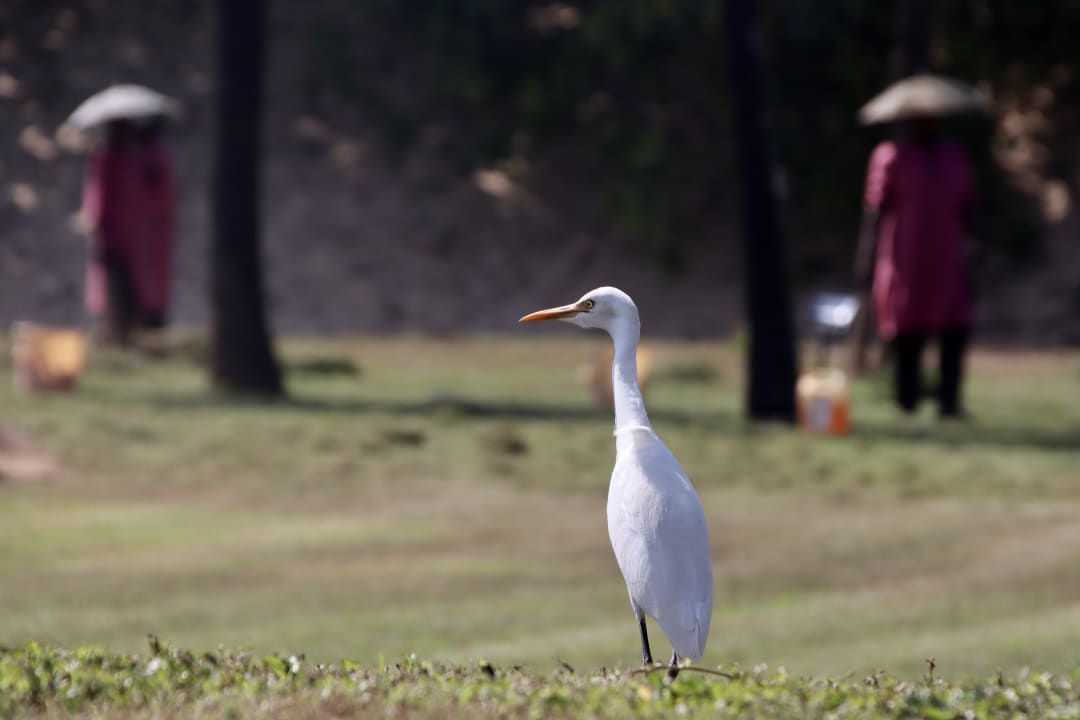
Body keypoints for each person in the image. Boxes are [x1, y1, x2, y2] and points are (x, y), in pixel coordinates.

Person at [855, 116, 975, 418]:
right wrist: (866, 257)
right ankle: (906, 400)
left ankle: (949, 401)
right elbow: (875, 209)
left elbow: (969, 205)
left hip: (946, 258)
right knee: (906, 330)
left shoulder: (953, 157)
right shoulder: (891, 157)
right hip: (905, 260)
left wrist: (975, 246)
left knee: (954, 328)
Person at [81, 116, 175, 344]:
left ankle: (133, 331)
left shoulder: (141, 159)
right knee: (115, 289)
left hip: (139, 238)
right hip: (115, 237)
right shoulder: (107, 159)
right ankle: (115, 333)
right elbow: (100, 200)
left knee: (138, 289)